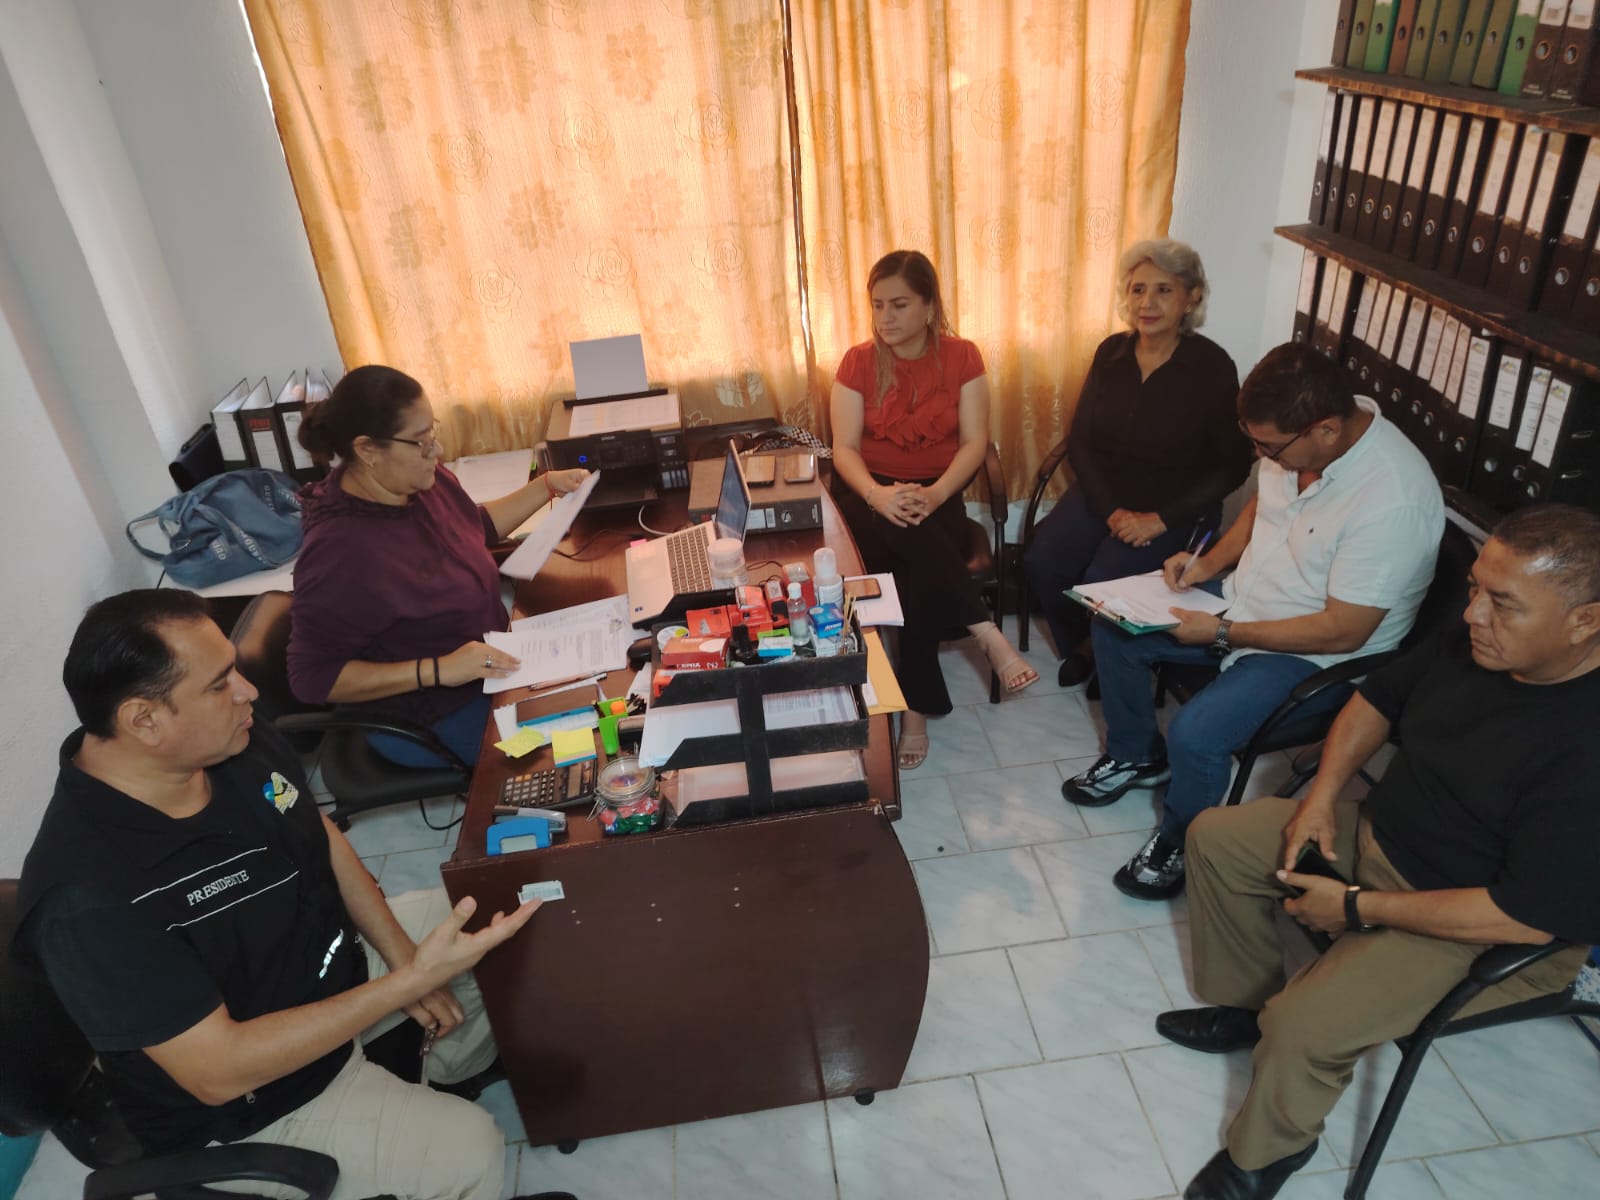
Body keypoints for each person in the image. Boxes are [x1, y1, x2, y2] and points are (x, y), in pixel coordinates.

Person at [13, 589, 574, 1200]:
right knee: (470, 1152)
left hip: (325, 968)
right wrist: (406, 983)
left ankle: (436, 1068)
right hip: (257, 1099)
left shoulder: (230, 740)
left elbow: (318, 833)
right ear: (144, 720)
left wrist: (401, 956)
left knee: (496, 915)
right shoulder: (86, 899)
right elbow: (219, 1071)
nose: (248, 692)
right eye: (219, 684)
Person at [1159, 504, 1600, 1200]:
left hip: (1473, 921)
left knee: (1305, 1025)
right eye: (1474, 589)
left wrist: (1357, 908)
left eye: (1503, 603)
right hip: (1383, 835)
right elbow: (1376, 703)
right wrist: (1319, 798)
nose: (1472, 614)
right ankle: (1249, 1009)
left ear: (1585, 621)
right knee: (1216, 838)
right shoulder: (1477, 642)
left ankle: (1265, 1155)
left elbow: (1522, 917)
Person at [1062, 342, 1443, 900]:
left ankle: (1182, 839)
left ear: (1326, 430)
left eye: (1269, 447)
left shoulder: (1394, 500)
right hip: (1245, 600)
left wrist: (1221, 633)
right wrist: (1207, 565)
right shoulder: (1299, 444)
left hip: (1314, 654)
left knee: (1197, 734)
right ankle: (1137, 755)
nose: (1263, 457)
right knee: (1114, 627)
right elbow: (1263, 504)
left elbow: (1346, 630)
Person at [288, 364, 587, 768]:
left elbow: (472, 527)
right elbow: (311, 677)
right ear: (367, 450)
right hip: (433, 711)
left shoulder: (420, 481)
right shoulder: (339, 554)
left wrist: (546, 486)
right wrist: (439, 670)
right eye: (420, 440)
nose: (437, 450)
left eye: (433, 432)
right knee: (565, 759)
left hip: (491, 665)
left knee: (599, 704)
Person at [830, 250, 1038, 771]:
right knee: (913, 543)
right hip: (867, 498)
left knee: (914, 566)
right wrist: (879, 495)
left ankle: (915, 713)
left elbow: (974, 443)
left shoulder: (962, 357)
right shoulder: (857, 362)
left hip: (937, 495)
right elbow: (844, 449)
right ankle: (984, 634)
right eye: (877, 305)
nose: (885, 318)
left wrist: (937, 493)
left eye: (899, 305)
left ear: (929, 306)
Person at [1024, 239, 1252, 686]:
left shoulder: (1211, 367)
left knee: (1104, 578)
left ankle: (1105, 652)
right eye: (1138, 290)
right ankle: (1086, 645)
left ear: (1192, 297)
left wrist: (1160, 520)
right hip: (1105, 496)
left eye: (1164, 290)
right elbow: (1080, 442)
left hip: (1173, 508)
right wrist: (1111, 511)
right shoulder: (1111, 353)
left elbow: (1234, 465)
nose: (1147, 303)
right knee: (1044, 561)